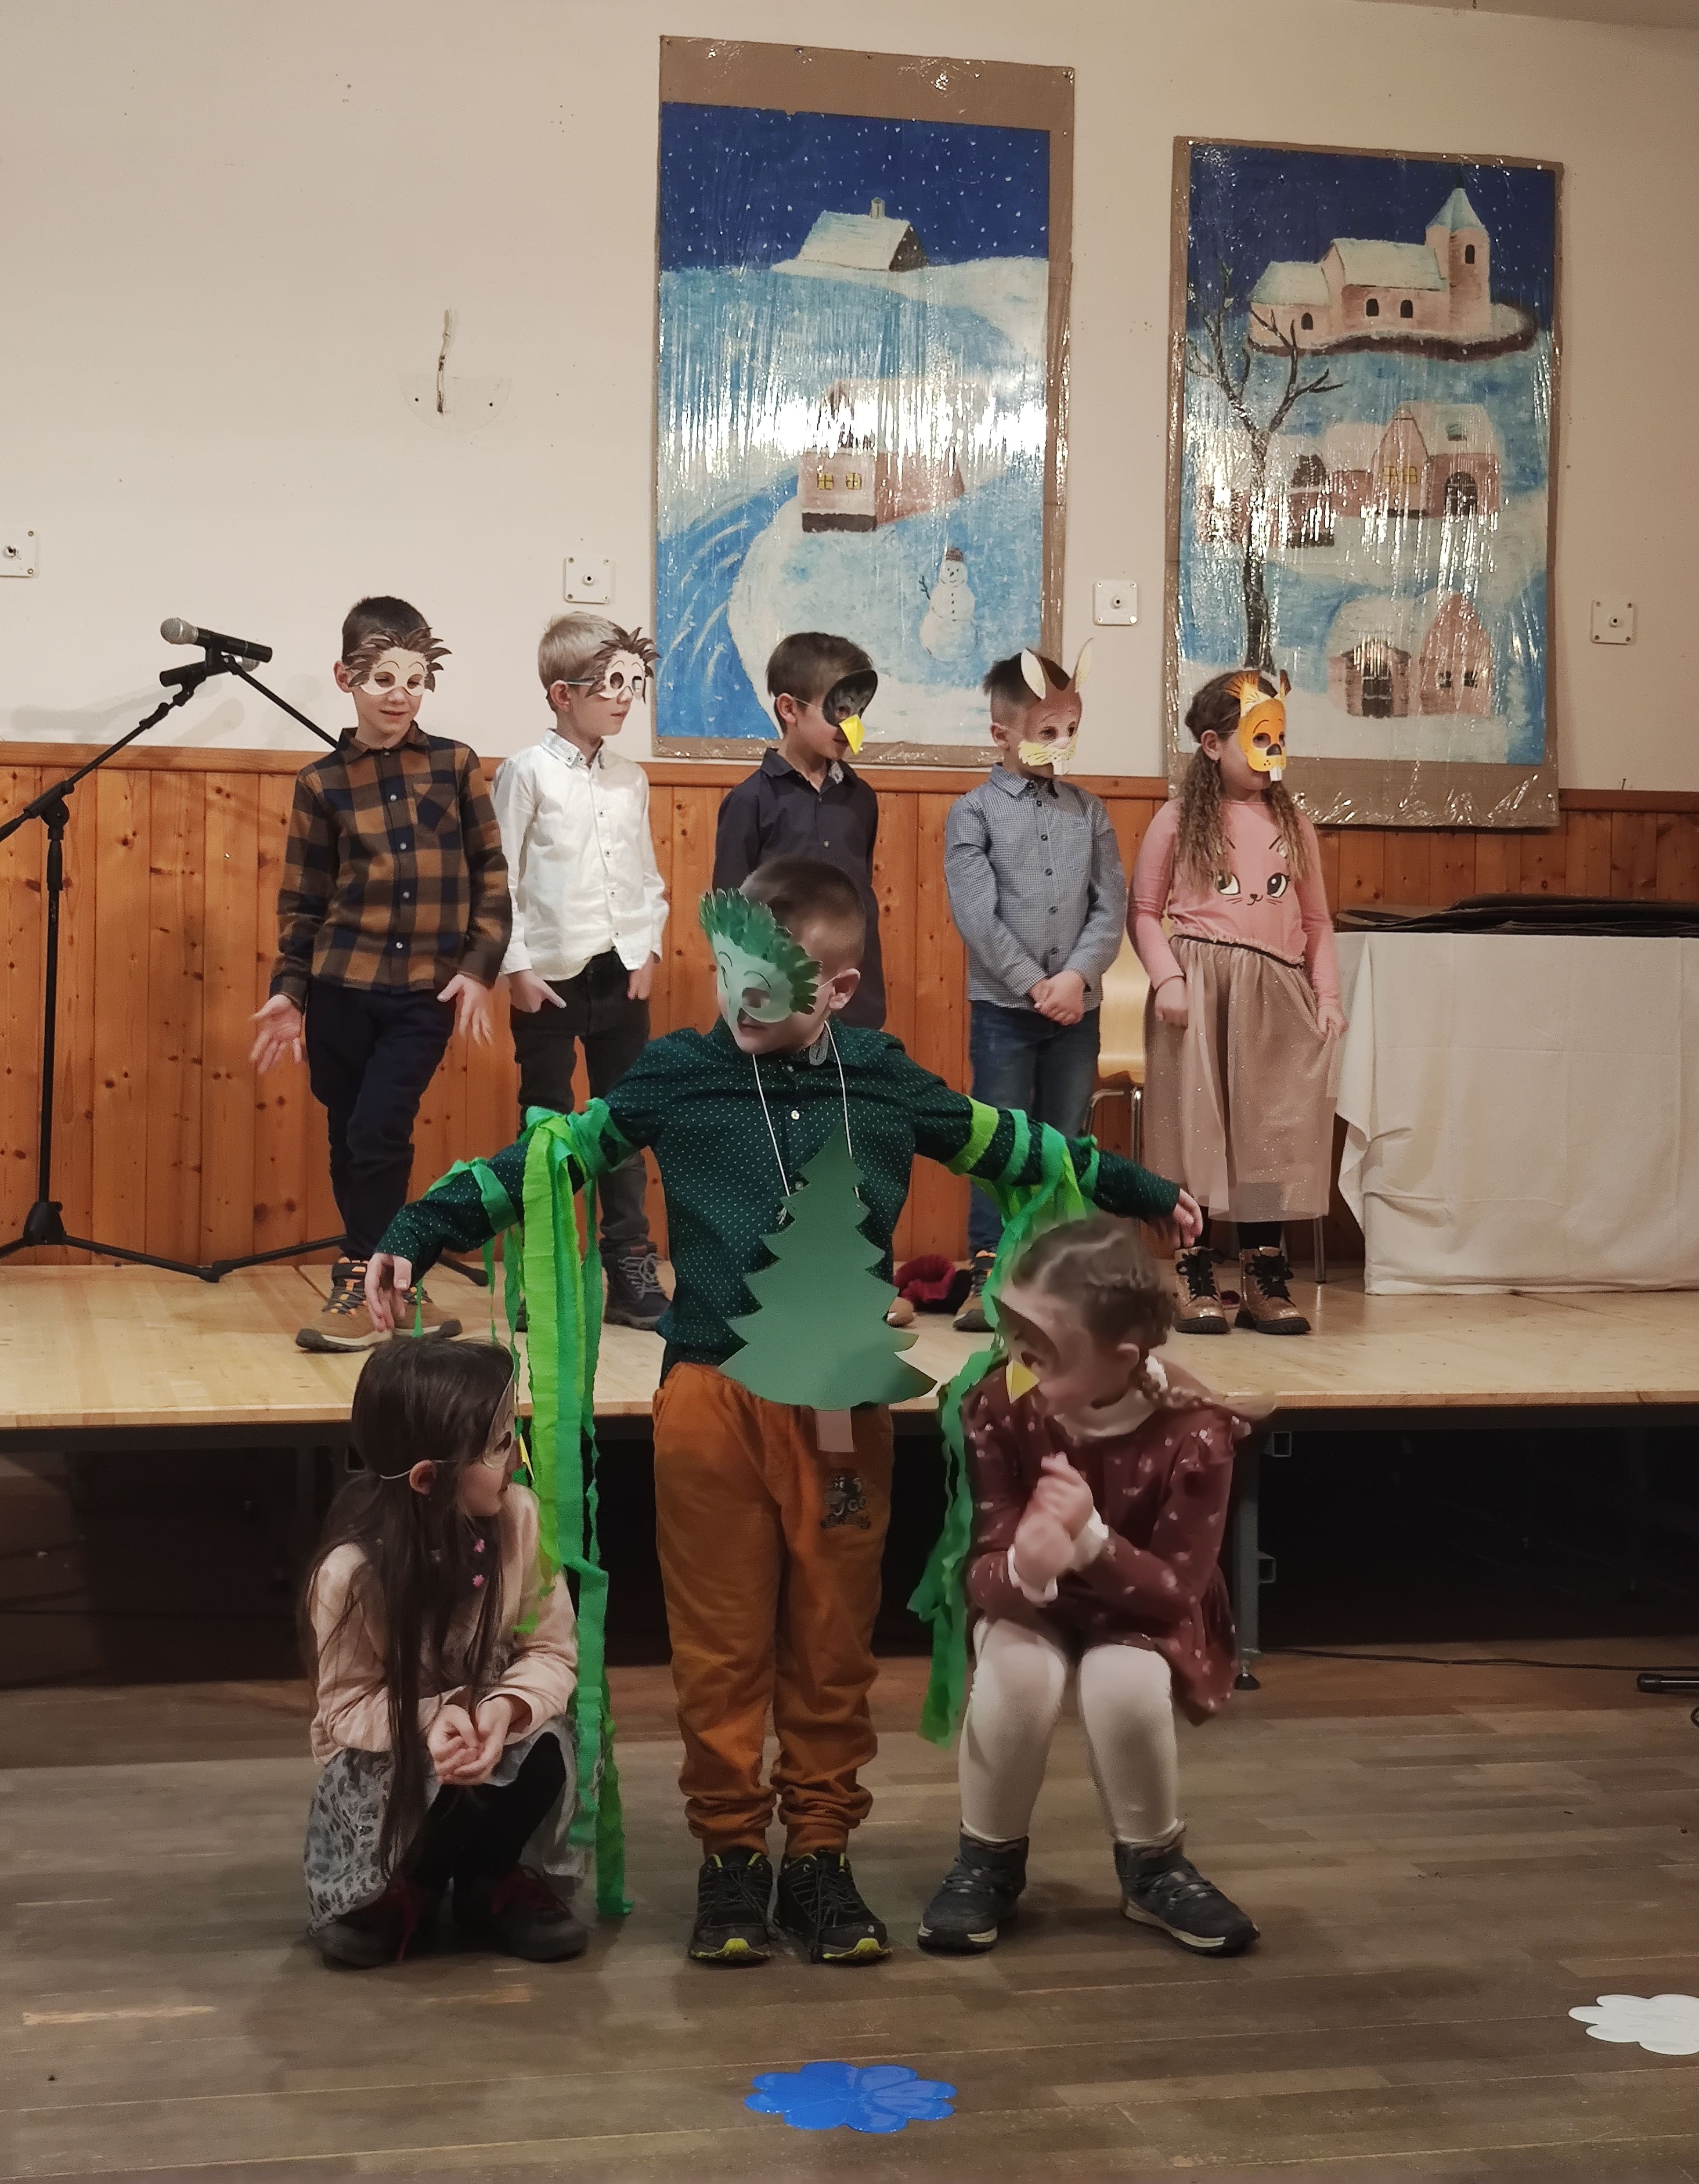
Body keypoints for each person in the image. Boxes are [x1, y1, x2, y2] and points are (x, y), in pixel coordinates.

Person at [361, 857, 1200, 1969]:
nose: (740, 999)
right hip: (710, 1409)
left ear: (837, 988)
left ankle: (817, 1856)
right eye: (728, 973)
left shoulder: (884, 1080)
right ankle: (728, 1859)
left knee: (830, 1640)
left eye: (769, 981)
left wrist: (1149, 1195)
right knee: (718, 1647)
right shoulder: (679, 1074)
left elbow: (1020, 1144)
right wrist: (415, 1229)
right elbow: (547, 1156)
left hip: (842, 1418)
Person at [918, 1217, 1258, 1960]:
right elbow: (983, 1568)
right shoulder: (1000, 1408)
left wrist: (1093, 1542)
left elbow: (1176, 1594)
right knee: (1015, 1675)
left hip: (1138, 1608)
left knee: (1125, 1685)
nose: (1018, 1364)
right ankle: (986, 1861)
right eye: (1017, 1341)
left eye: (1043, 1353)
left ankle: (1153, 1867)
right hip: (1035, 1602)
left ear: (1122, 1358)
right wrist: (1026, 1565)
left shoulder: (1196, 1433)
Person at [248, 596, 511, 1352]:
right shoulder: (321, 785)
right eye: (383, 679)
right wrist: (289, 992)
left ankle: (367, 1279)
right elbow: (304, 901)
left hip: (424, 992)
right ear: (347, 678)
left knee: (378, 1129)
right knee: (349, 1133)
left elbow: (493, 876)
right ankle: (390, 1283)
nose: (400, 695)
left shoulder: (455, 765)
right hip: (340, 988)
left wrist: (479, 967)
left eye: (415, 680)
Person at [302, 1336, 588, 1969]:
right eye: (498, 1445)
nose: (517, 1458)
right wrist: (431, 1722)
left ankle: (492, 1881)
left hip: (486, 1727)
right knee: (423, 1776)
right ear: (429, 1479)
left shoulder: (520, 1519)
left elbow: (552, 1651)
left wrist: (505, 1709)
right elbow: (344, 1709)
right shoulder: (351, 1574)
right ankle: (407, 1884)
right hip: (399, 1756)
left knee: (546, 1747)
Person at [1129, 669, 1344, 1338]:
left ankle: (1261, 1275)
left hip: (1275, 994)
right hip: (1200, 992)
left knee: (1268, 1134)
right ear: (1213, 744)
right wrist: (1167, 978)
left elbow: (1318, 922)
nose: (1271, 751)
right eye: (1258, 738)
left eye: (1278, 738)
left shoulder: (1293, 825)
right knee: (1194, 1132)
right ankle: (1194, 1270)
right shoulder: (1175, 820)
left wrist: (1327, 995)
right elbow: (1144, 912)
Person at [492, 611, 669, 1330]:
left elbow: (645, 875)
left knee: (622, 1124)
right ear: (563, 694)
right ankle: (543, 1272)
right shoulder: (525, 773)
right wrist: (516, 966)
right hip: (548, 977)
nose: (625, 698)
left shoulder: (631, 779)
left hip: (619, 973)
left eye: (632, 684)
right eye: (610, 685)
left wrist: (648, 947)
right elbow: (502, 878)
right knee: (547, 1126)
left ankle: (628, 1263)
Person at [944, 644, 1121, 1330]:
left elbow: (1110, 904)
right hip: (1004, 1013)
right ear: (1002, 734)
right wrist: (1035, 984)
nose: (1063, 742)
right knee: (1000, 1141)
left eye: (1071, 728)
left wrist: (1075, 978)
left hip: (1077, 1011)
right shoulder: (973, 814)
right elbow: (976, 915)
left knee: (1064, 1140)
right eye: (1048, 731)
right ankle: (989, 1271)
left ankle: (1057, 1277)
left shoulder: (1090, 812)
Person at [712, 632, 885, 1029]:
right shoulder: (750, 800)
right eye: (839, 710)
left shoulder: (861, 798)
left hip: (852, 1001)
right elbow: (730, 915)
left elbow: (861, 889)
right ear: (789, 708)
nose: (851, 726)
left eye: (858, 712)